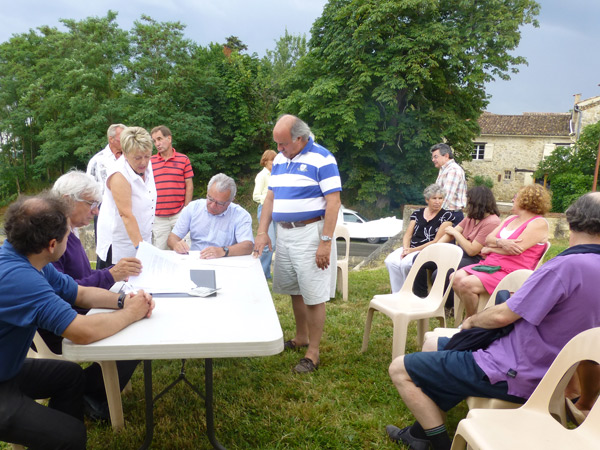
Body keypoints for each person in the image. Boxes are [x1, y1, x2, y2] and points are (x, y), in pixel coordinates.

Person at [385, 191, 600, 450]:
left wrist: (472, 322)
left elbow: (502, 315)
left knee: (399, 368)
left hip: (512, 371)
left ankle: (439, 444)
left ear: (571, 220)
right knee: (435, 346)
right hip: (548, 373)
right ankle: (420, 433)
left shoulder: (566, 267)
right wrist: (585, 399)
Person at [0, 193, 154, 450]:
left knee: (69, 376)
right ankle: (62, 437)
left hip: (9, 370)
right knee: (70, 436)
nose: (71, 237)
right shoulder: (21, 279)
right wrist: (131, 314)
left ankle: (52, 436)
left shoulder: (27, 257)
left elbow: (79, 293)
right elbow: (81, 332)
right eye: (68, 234)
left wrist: (124, 301)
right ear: (52, 244)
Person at [48, 171, 143, 420]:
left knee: (136, 323)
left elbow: (76, 281)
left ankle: (92, 392)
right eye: (91, 204)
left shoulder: (67, 231)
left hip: (75, 311)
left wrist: (115, 284)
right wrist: (111, 276)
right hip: (60, 323)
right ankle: (87, 393)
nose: (96, 211)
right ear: (68, 200)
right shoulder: (52, 236)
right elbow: (66, 291)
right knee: (134, 337)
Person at [253, 114, 341, 374]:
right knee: (295, 289)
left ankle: (313, 352)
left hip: (311, 232)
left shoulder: (323, 159)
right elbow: (270, 198)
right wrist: (262, 231)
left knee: (313, 295)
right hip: (285, 233)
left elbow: (333, 202)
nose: (278, 149)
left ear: (300, 139)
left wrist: (325, 242)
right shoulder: (280, 160)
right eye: (277, 144)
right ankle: (301, 336)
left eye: (283, 144)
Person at [452, 184, 550, 318]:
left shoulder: (538, 223)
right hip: (492, 265)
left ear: (526, 200)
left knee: (466, 284)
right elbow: (488, 239)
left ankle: (471, 321)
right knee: (455, 277)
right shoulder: (510, 219)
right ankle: (478, 317)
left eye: (516, 197)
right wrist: (501, 242)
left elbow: (515, 250)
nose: (512, 200)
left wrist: (491, 248)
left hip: (512, 271)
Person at [412, 186, 501, 300]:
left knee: (440, 273)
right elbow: (450, 233)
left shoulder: (492, 222)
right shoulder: (472, 217)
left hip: (476, 259)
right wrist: (434, 248)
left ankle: (447, 305)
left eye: (469, 201)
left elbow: (472, 250)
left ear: (477, 203)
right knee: (420, 258)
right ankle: (420, 296)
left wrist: (456, 234)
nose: (467, 204)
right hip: (461, 253)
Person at [96, 126, 157, 268]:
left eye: (147, 156)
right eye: (137, 158)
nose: (143, 162)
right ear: (125, 153)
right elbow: (126, 214)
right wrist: (141, 249)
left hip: (141, 240)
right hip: (119, 244)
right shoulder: (119, 175)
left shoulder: (148, 167)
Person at [385, 184, 454, 294]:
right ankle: (397, 293)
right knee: (390, 261)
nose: (438, 201)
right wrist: (406, 249)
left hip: (428, 249)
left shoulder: (447, 216)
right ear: (427, 200)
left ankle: (409, 293)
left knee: (406, 264)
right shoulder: (417, 213)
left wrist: (411, 251)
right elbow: (408, 234)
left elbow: (436, 241)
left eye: (440, 198)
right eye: (434, 198)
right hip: (411, 247)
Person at [167, 173, 254, 258]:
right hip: (195, 259)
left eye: (219, 203)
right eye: (210, 199)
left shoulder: (240, 215)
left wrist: (223, 251)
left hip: (224, 261)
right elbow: (172, 238)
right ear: (207, 193)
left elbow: (248, 246)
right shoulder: (193, 208)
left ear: (230, 201)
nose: (212, 206)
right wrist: (176, 245)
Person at [150, 125, 194, 250]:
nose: (157, 143)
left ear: (169, 138)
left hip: (179, 214)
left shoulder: (183, 159)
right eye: (154, 141)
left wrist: (186, 208)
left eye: (159, 139)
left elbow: (189, 184)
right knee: (160, 251)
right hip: (158, 216)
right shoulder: (150, 162)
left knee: (183, 249)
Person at [86, 123, 126, 250]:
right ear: (111, 139)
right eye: (122, 138)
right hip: (104, 210)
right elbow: (89, 188)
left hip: (126, 209)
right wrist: (93, 209)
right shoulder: (97, 161)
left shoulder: (130, 158)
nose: (126, 141)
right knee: (105, 250)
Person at [253, 149, 277, 278]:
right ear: (265, 161)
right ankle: (262, 274)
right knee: (268, 244)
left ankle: (268, 273)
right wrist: (268, 201)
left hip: (277, 210)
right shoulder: (262, 176)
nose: (274, 163)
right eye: (272, 160)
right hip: (264, 209)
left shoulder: (276, 175)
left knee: (275, 245)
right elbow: (256, 196)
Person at [430, 143, 467, 225]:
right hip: (445, 213)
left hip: (450, 215)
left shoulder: (453, 170)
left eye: (435, 157)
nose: (433, 160)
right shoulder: (444, 169)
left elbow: (446, 196)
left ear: (446, 156)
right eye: (432, 157)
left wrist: (434, 215)